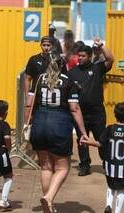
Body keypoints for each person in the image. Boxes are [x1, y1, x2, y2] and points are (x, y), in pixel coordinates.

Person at [24, 54, 88, 213]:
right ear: (63, 66)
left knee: (45, 167)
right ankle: (49, 197)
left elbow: (28, 104)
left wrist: (26, 124)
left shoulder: (39, 80)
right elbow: (74, 108)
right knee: (62, 168)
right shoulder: (69, 81)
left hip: (39, 123)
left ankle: (49, 203)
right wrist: (83, 132)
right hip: (59, 124)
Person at [80, 102, 124, 213]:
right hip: (123, 168)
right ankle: (117, 211)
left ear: (114, 114)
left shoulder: (109, 129)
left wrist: (88, 142)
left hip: (110, 165)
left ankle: (108, 205)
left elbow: (100, 144)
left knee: (111, 186)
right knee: (121, 190)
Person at [68, 38, 114, 176]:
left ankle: (106, 162)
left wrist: (101, 46)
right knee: (82, 139)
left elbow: (110, 59)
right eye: (79, 56)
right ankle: (85, 165)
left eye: (83, 56)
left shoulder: (97, 68)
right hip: (80, 113)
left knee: (101, 138)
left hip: (97, 112)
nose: (80, 58)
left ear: (89, 57)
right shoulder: (72, 72)